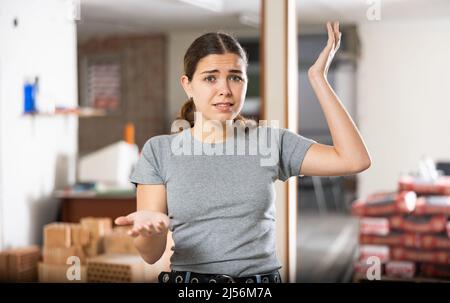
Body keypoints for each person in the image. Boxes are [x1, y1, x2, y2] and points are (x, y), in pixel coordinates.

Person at [115, 21, 371, 283]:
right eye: (210, 77)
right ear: (188, 85)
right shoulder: (159, 151)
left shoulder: (270, 141)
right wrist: (150, 231)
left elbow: (354, 159)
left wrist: (318, 78)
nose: (225, 89)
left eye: (235, 77)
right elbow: (151, 255)